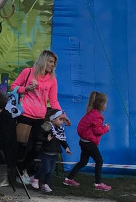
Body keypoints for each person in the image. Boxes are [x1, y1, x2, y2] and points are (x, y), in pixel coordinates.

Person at [11, 49, 65, 184]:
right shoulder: (28, 72)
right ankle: (14, 172)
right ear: (43, 60)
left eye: (54, 63)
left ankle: (22, 170)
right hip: (25, 115)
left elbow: (53, 100)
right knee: (21, 146)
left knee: (37, 147)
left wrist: (61, 115)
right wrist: (26, 89)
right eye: (50, 61)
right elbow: (14, 87)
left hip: (40, 118)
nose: (53, 65)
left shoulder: (52, 79)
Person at [64, 91, 112, 191]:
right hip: (89, 143)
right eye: (105, 103)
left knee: (83, 161)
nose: (106, 105)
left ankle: (68, 178)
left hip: (83, 141)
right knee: (99, 161)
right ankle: (98, 184)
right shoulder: (97, 116)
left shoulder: (90, 113)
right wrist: (106, 128)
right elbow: (97, 131)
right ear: (101, 104)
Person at [35, 110, 71, 194]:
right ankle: (35, 178)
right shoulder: (47, 126)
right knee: (46, 169)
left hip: (54, 153)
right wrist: (46, 139)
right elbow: (39, 136)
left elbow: (62, 140)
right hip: (46, 152)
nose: (62, 121)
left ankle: (45, 184)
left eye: (62, 120)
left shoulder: (60, 129)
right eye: (60, 119)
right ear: (53, 119)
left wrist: (66, 147)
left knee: (51, 171)